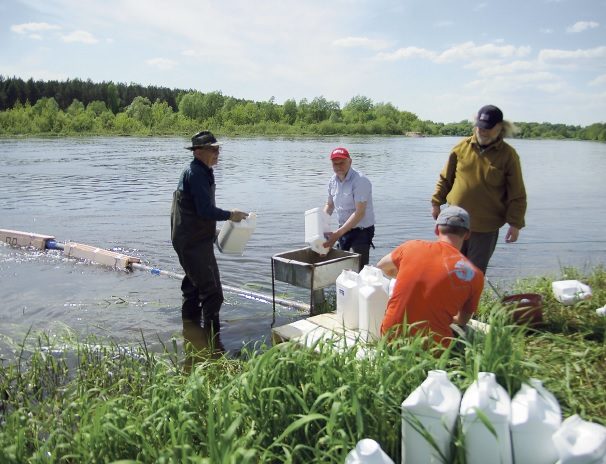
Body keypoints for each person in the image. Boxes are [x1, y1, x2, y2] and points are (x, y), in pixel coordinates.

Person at [431, 104, 527, 275]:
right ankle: (446, 302)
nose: (482, 131)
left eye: (488, 128)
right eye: (480, 127)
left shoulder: (508, 155)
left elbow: (517, 193)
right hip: (454, 222)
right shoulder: (461, 148)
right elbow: (445, 178)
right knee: (447, 269)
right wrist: (436, 202)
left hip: (485, 228)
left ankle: (469, 302)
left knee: (472, 274)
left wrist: (515, 223)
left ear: (499, 127)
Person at [171, 130, 248, 331]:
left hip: (193, 238)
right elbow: (204, 210)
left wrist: (213, 232)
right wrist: (231, 215)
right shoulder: (195, 173)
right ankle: (212, 343)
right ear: (197, 152)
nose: (217, 152)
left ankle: (191, 335)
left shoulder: (202, 171)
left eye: (218, 148)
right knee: (213, 293)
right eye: (212, 149)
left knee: (193, 289)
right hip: (193, 243)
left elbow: (196, 211)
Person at [378, 206, 484, 346]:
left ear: (436, 229)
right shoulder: (475, 275)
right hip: (433, 350)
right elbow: (462, 320)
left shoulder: (411, 247)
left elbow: (381, 266)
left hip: (389, 339)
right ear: (468, 234)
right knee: (471, 333)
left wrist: (407, 275)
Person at [322, 147, 375, 270]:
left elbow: (359, 213)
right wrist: (320, 224)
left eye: (342, 163)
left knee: (358, 269)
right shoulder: (332, 181)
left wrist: (336, 234)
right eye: (335, 163)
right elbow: (329, 205)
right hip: (343, 230)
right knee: (342, 268)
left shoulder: (360, 181)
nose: (338, 166)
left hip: (361, 231)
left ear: (350, 161)